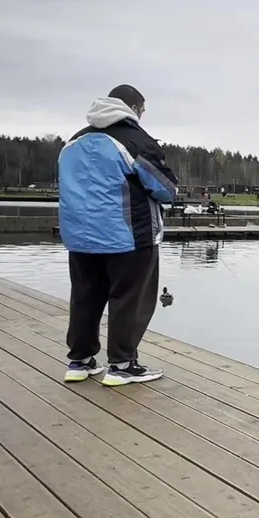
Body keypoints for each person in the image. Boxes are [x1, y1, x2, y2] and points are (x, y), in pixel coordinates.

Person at [58, 85, 177, 386]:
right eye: (143, 110)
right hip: (128, 237)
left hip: (80, 236)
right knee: (129, 300)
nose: (142, 116)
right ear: (134, 108)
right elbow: (165, 189)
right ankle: (122, 365)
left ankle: (80, 361)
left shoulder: (74, 142)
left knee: (84, 297)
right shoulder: (137, 141)